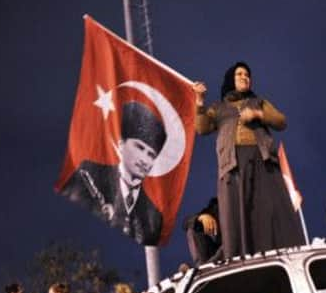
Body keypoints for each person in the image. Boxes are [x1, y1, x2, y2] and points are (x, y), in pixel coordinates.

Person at [193, 61, 305, 258]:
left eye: (247, 74)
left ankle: (283, 254)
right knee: (237, 213)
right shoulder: (218, 108)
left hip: (262, 160)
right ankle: (239, 256)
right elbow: (201, 128)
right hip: (233, 163)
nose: (245, 77)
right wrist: (199, 101)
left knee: (269, 208)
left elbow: (281, 121)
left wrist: (257, 114)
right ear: (231, 79)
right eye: (240, 74)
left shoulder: (258, 101)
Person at [60, 101, 165, 245]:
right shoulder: (88, 175)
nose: (144, 159)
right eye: (139, 147)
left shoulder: (153, 215)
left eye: (151, 155)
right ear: (121, 145)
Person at [182, 197, 222, 265]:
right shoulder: (216, 206)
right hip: (215, 253)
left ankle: (205, 267)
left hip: (235, 250)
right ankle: (201, 266)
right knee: (194, 227)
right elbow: (186, 222)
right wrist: (200, 218)